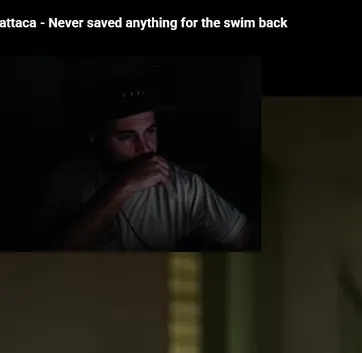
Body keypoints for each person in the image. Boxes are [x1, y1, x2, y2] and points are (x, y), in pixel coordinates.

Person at [33, 89, 251, 251]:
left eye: (150, 131)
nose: (145, 147)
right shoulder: (67, 181)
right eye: (127, 137)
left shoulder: (184, 186)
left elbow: (244, 237)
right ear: (95, 139)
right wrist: (126, 185)